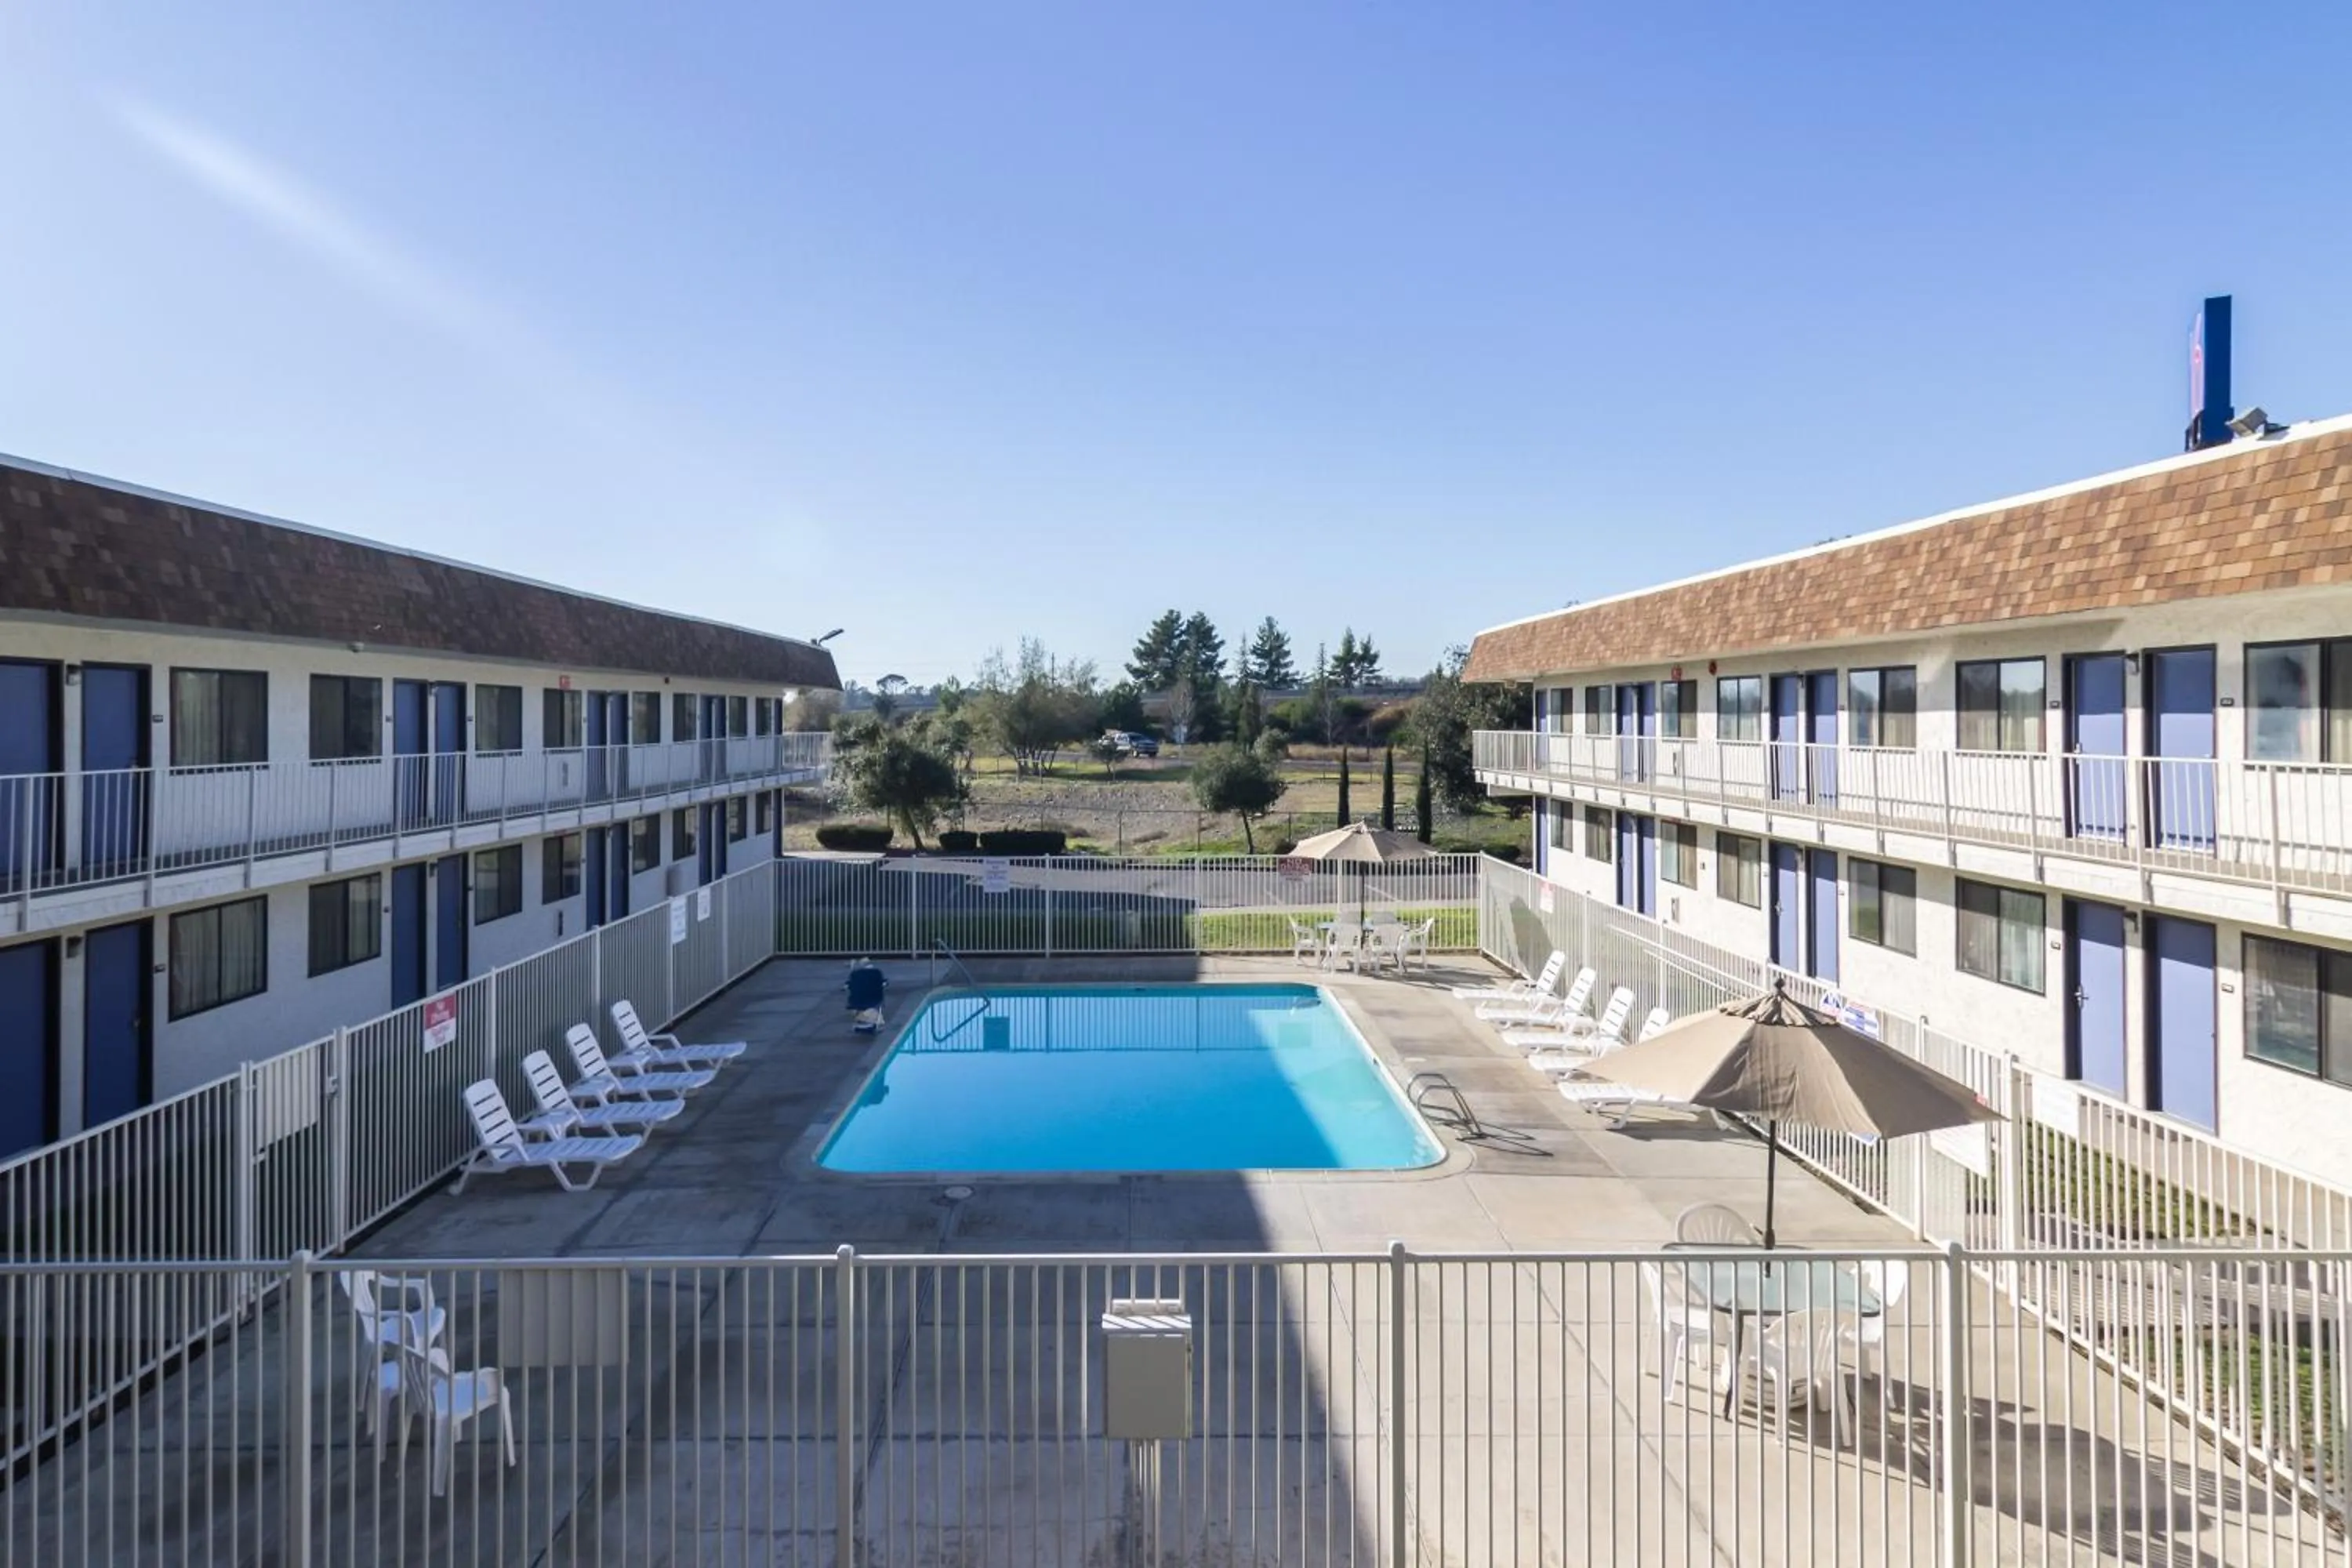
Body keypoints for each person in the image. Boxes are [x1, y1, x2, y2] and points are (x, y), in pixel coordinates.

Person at [846, 956, 887, 1033]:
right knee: (872, 1011)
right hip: (875, 999)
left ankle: (864, 1019)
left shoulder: (855, 975)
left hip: (857, 1001)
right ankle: (873, 1021)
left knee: (866, 1011)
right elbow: (883, 984)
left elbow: (849, 986)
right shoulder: (877, 973)